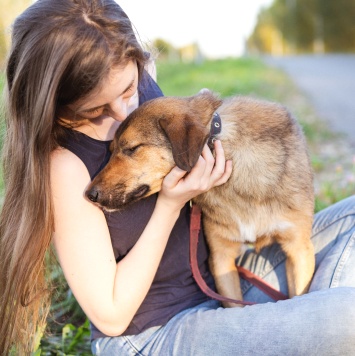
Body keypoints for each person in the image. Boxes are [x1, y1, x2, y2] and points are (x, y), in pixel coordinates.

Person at [0, 1, 354, 355]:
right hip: (156, 333)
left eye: (129, 90)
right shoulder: (62, 165)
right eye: (95, 110)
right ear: (56, 104)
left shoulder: (140, 89)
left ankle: (304, 327)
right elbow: (111, 317)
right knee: (346, 315)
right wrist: (170, 205)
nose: (126, 112)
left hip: (221, 287)